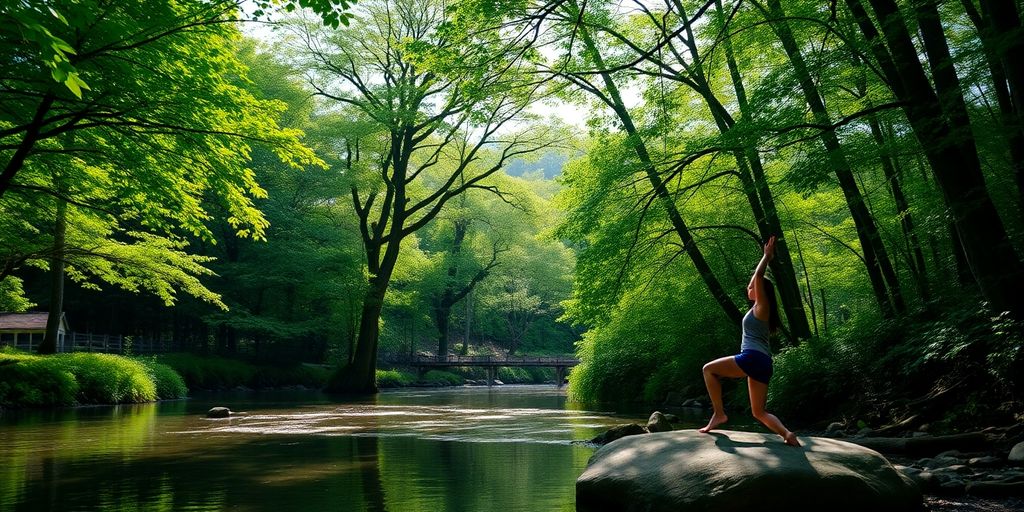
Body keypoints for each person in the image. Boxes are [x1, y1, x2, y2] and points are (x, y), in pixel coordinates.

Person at [698, 235, 800, 447]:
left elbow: (760, 277)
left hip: (752, 358)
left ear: (759, 291)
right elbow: (758, 281)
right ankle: (788, 435)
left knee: (708, 369)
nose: (749, 287)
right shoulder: (759, 311)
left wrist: (766, 257)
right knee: (758, 412)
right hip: (763, 363)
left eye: (751, 285)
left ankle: (719, 414)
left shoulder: (762, 308)